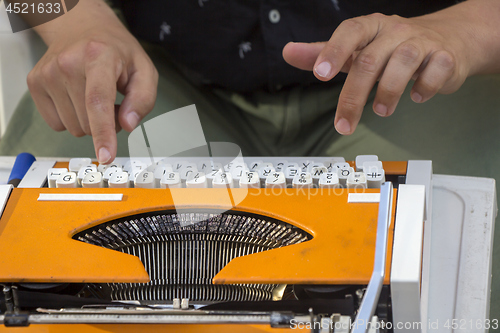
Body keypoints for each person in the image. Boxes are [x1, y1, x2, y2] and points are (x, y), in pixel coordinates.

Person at [1, 0, 500, 172]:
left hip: (414, 79)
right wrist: (75, 24)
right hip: (157, 80)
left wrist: (464, 31)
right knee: (61, 248)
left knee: (460, 249)